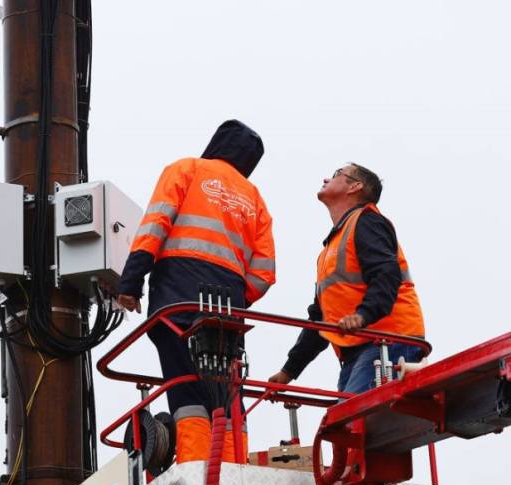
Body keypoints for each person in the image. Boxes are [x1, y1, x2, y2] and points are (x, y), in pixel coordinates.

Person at [116, 120, 275, 464]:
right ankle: (233, 470)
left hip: (177, 299)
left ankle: (198, 467)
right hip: (228, 311)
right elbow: (264, 273)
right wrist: (236, 299)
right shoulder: (254, 198)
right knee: (227, 391)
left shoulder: (186, 169)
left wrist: (130, 283)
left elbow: (154, 227)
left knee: (186, 386)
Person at [268, 163, 425, 395]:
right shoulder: (330, 249)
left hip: (387, 342)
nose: (325, 179)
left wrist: (363, 316)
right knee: (345, 424)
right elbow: (322, 319)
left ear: (355, 186)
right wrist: (289, 371)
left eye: (335, 174)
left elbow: (385, 274)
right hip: (360, 349)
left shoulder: (367, 221)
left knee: (349, 423)